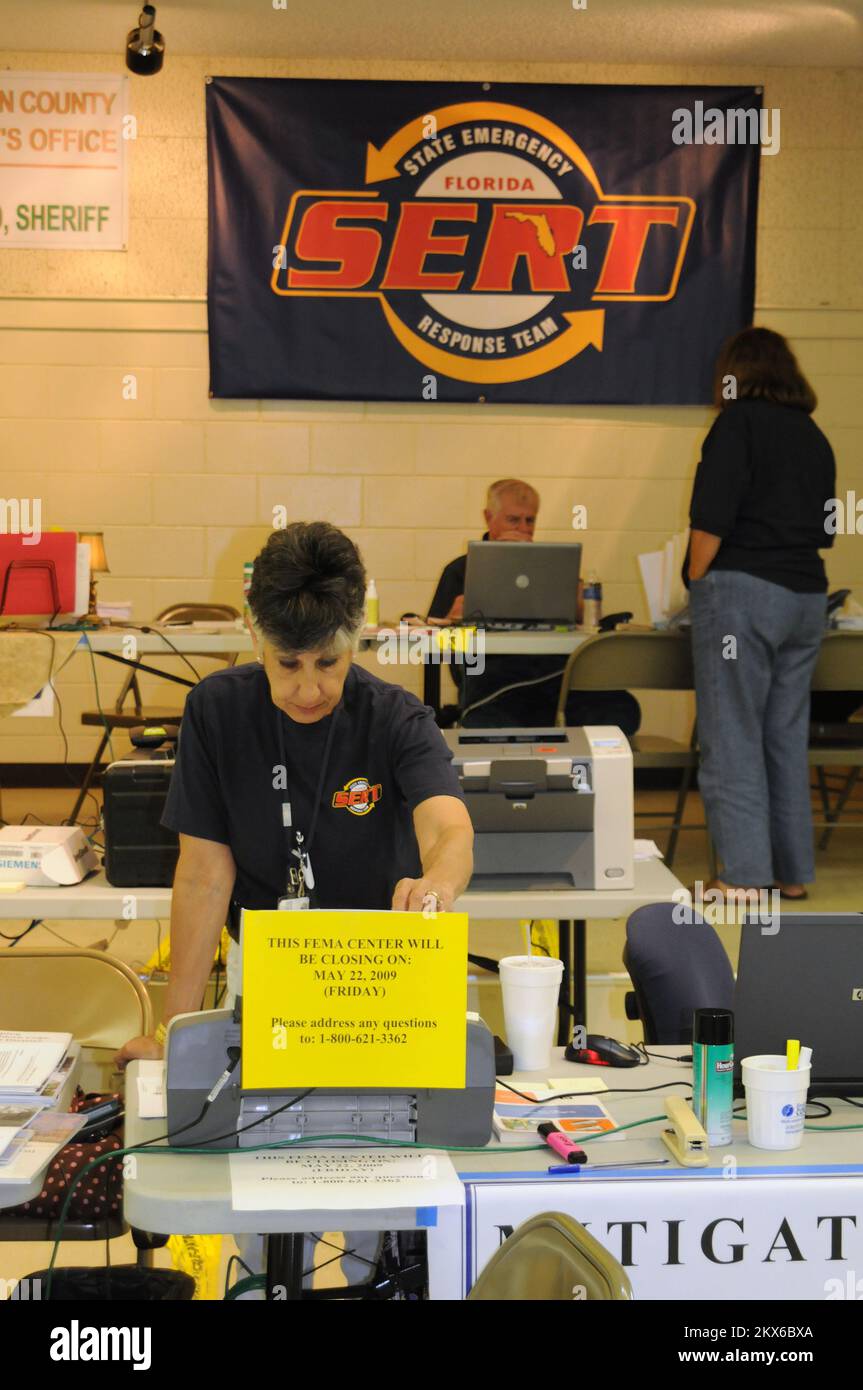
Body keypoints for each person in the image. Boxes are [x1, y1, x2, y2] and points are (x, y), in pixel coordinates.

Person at [114, 522, 473, 1290]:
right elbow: (203, 878)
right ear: (254, 636)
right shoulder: (217, 711)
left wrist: (436, 885)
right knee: (263, 1199)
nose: (308, 688)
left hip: (382, 985)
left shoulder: (394, 716)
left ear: (357, 639)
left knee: (379, 1203)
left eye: (329, 663)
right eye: (287, 664)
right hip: (268, 983)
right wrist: (175, 1031)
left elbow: (449, 826)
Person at [684, 327, 836, 901]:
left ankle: (743, 876)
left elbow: (711, 522)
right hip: (806, 597)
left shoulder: (737, 424)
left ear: (735, 373)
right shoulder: (814, 436)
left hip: (743, 593)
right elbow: (826, 528)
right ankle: (790, 873)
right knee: (783, 737)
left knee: (731, 735)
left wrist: (697, 579)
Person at [428, 478, 641, 734]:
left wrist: (563, 580)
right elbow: (434, 636)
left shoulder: (551, 566)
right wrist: (455, 619)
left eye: (530, 521)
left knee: (623, 710)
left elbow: (587, 617)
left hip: (553, 681)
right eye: (513, 520)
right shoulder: (461, 570)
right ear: (488, 518)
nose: (523, 528)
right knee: (489, 726)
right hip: (493, 687)